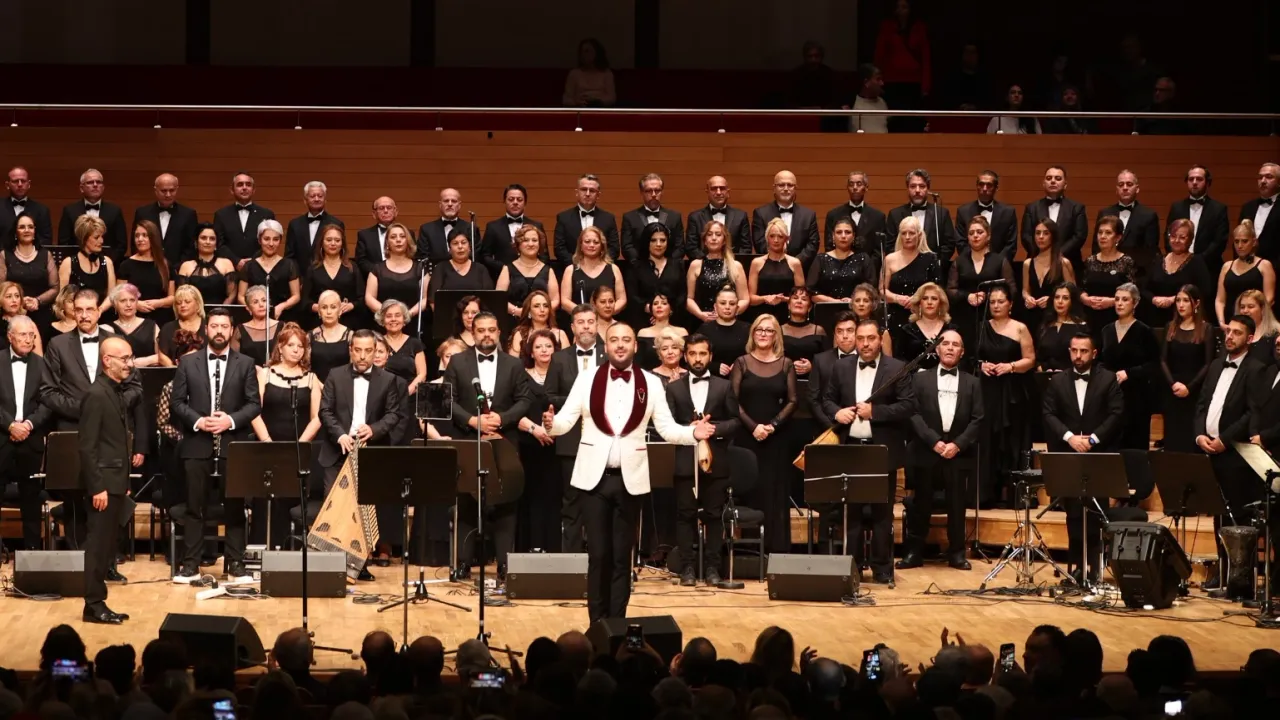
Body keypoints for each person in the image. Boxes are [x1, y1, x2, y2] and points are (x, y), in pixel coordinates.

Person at [543, 322, 711, 622]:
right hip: (593, 481)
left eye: (626, 340)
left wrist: (693, 433)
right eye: (614, 340)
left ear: (635, 345)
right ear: (605, 346)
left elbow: (666, 429)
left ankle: (617, 625)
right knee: (598, 556)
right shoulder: (587, 378)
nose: (620, 345)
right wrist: (550, 425)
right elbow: (565, 421)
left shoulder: (651, 383)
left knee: (622, 558)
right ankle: (597, 625)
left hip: (630, 480)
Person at [821, 318, 916, 582]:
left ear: (880, 339)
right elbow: (827, 399)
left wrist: (876, 412)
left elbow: (908, 406)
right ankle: (852, 567)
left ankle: (882, 568)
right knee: (851, 512)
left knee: (881, 513)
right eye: (860, 338)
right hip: (850, 448)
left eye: (870, 338)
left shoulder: (896, 368)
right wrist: (836, 412)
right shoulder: (841, 367)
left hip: (881, 450)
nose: (865, 344)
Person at [170, 307, 261, 578]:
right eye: (214, 326)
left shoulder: (246, 363)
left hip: (232, 443)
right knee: (194, 506)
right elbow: (177, 403)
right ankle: (191, 563)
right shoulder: (188, 362)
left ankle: (235, 563)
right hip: (197, 443)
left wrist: (229, 421)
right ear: (206, 329)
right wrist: (199, 421)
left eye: (224, 326)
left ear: (232, 331)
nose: (219, 331)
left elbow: (254, 404)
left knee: (234, 506)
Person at [445, 311, 534, 578]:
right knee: (466, 500)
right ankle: (463, 562)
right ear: (472, 333)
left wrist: (502, 419)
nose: (486, 335)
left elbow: (525, 399)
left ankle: (504, 564)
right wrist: (472, 420)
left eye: (491, 330)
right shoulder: (458, 362)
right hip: (469, 439)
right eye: (481, 330)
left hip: (504, 441)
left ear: (499, 332)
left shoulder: (513, 364)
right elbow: (448, 399)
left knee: (506, 501)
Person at [1042, 332, 1125, 582]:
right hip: (1069, 455)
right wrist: (1070, 438)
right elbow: (1048, 413)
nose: (1078, 356)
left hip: (1097, 454)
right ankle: (1077, 567)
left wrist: (1093, 439)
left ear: (1094, 353)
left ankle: (1096, 568)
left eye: (1084, 351)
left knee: (1097, 512)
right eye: (1074, 350)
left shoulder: (1108, 379)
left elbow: (1116, 414)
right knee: (1074, 514)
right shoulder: (1058, 380)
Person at [901, 329, 983, 570]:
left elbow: (978, 419)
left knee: (957, 505)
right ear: (936, 349)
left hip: (958, 452)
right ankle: (914, 552)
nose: (950, 348)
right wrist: (933, 441)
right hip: (927, 449)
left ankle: (956, 553)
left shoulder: (973, 382)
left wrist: (957, 444)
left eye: (955, 344)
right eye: (945, 343)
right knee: (920, 504)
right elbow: (913, 413)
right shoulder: (919, 379)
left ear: (962, 352)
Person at [1197, 316, 1265, 596]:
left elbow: (1251, 412)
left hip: (1235, 453)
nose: (1229, 336)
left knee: (1238, 516)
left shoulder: (1256, 368)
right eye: (1228, 331)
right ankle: (1223, 570)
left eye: (1237, 333)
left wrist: (1225, 439)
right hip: (1209, 450)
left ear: (1250, 338)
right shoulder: (1216, 365)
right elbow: (1202, 403)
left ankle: (1240, 578)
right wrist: (1199, 435)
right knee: (1219, 514)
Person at [667, 334, 741, 586]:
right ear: (685, 356)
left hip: (716, 461)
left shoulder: (724, 386)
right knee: (685, 514)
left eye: (702, 354)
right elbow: (665, 425)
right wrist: (689, 430)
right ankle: (687, 568)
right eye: (692, 354)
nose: (697, 359)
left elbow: (735, 421)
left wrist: (713, 429)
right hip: (684, 461)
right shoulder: (673, 388)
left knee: (714, 515)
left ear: (710, 356)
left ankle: (712, 568)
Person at [78, 335, 138, 624]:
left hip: (114, 481)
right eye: (124, 359)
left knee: (107, 545)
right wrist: (97, 486)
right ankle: (93, 604)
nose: (130, 364)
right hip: (102, 485)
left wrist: (123, 481)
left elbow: (115, 442)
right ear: (107, 361)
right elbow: (87, 446)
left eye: (131, 357)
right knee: (98, 545)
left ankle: (98, 601)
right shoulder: (96, 394)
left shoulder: (114, 391)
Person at [247, 323, 320, 550]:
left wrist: (300, 444)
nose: (296, 350)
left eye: (300, 346)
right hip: (267, 447)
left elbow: (317, 417)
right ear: (280, 347)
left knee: (292, 498)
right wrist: (267, 442)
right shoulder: (265, 374)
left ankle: (291, 551)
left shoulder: (311, 378)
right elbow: (253, 411)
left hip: (297, 449)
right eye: (291, 345)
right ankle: (262, 550)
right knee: (266, 500)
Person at [731, 314, 798, 556]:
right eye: (759, 329)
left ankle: (776, 549)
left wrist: (772, 425)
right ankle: (749, 551)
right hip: (748, 437)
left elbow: (793, 401)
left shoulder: (786, 364)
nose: (763, 334)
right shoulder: (741, 362)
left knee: (775, 491)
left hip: (776, 438)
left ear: (776, 335)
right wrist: (754, 427)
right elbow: (733, 401)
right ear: (753, 333)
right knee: (752, 489)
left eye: (769, 330)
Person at [544, 304, 604, 552]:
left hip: (604, 440)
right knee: (571, 503)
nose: (586, 327)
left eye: (590, 322)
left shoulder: (610, 355)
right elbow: (549, 395)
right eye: (581, 322)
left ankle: (599, 558)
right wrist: (579, 401)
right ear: (572, 327)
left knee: (601, 502)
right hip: (569, 441)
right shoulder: (559, 358)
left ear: (597, 325)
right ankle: (572, 559)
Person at [317, 330, 402, 491]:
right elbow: (325, 410)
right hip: (337, 451)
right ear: (350, 350)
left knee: (369, 504)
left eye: (368, 351)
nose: (362, 356)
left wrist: (373, 429)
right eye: (358, 350)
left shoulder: (387, 379)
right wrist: (340, 435)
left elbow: (393, 414)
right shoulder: (335, 375)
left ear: (375, 351)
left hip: (371, 452)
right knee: (334, 505)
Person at [978, 284, 1036, 507]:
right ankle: (987, 495)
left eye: (1000, 301)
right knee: (988, 440)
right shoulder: (981, 327)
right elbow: (972, 357)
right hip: (987, 390)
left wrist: (1010, 366)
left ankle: (1015, 495)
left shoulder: (1020, 328)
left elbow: (1030, 360)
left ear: (1010, 304)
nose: (996, 305)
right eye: (992, 302)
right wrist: (982, 365)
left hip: (1013, 391)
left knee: (1012, 439)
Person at [0, 316, 52, 551]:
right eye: (23, 335)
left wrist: (28, 425)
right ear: (10, 336)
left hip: (30, 440)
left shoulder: (42, 364)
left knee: (31, 499)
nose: (28, 340)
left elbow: (47, 402)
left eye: (32, 335)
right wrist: (10, 425)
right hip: (2, 438)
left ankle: (32, 552)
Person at [513, 329, 559, 553]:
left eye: (548, 346)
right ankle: (529, 549)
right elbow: (512, 410)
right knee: (530, 498)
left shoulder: (562, 375)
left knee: (553, 498)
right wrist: (534, 429)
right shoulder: (521, 375)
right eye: (539, 347)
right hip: (528, 446)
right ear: (531, 352)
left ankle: (554, 550)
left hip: (557, 446)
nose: (544, 350)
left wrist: (554, 430)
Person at [1100, 284, 1159, 449]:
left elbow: (1154, 364)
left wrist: (1129, 373)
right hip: (1110, 395)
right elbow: (1100, 361)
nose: (1119, 303)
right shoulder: (1106, 330)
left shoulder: (1144, 331)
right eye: (1117, 299)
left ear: (1135, 303)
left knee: (1134, 445)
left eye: (1125, 300)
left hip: (1136, 397)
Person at [1160, 285, 1215, 453]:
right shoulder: (1170, 327)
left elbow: (1208, 363)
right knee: (1173, 436)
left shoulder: (1206, 329)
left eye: (1185, 300)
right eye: (1178, 300)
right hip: (1173, 389)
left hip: (1195, 390)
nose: (1181, 305)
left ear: (1196, 303)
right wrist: (1173, 384)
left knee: (1190, 437)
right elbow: (1163, 360)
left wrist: (1189, 387)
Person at [948, 216, 1015, 352]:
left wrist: (990, 297)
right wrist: (968, 296)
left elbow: (1011, 289)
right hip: (964, 318)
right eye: (971, 233)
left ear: (988, 236)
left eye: (979, 232)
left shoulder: (1000, 261)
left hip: (993, 318)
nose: (975, 236)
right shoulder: (959, 261)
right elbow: (950, 290)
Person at [882, 215, 941, 346]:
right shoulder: (889, 259)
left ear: (919, 235)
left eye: (911, 233)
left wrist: (916, 299)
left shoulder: (930, 259)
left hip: (922, 316)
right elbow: (881, 290)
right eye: (904, 233)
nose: (907, 237)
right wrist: (897, 298)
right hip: (896, 315)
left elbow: (936, 289)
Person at [873, 0, 931, 132]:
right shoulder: (887, 26)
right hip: (891, 81)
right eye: (898, 7)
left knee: (912, 121)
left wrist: (926, 85)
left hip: (913, 82)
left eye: (904, 7)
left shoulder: (919, 28)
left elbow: (925, 58)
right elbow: (879, 54)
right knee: (894, 121)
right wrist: (877, 80)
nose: (901, 10)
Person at [1020, 166, 1089, 277]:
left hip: (1068, 262)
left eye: (1058, 178)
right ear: (1043, 183)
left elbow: (1079, 236)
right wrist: (1042, 256)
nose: (1053, 181)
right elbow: (1026, 236)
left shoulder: (1077, 208)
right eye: (1049, 178)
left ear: (1065, 184)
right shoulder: (1031, 208)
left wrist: (1056, 256)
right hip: (1037, 263)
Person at [1144, 219, 1213, 329]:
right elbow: (1144, 289)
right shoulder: (1158, 260)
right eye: (1173, 236)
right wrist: (1154, 299)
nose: (1176, 240)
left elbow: (1204, 291)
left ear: (1190, 240)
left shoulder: (1197, 262)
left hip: (1185, 322)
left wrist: (1175, 299)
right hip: (1156, 321)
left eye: (1182, 237)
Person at [2, 213, 58, 345]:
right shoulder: (4, 255)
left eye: (30, 227)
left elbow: (55, 287)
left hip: (41, 312)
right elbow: (1, 287)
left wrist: (37, 301)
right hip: (12, 313)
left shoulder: (46, 255)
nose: (26, 230)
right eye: (22, 227)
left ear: (35, 231)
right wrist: (20, 301)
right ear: (15, 232)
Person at [885, 170, 955, 274]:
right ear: (908, 189)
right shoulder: (895, 214)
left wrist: (933, 265)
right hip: (903, 271)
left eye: (922, 186)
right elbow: (890, 246)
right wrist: (904, 264)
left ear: (928, 189)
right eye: (913, 186)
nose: (917, 190)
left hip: (933, 271)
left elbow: (949, 245)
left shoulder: (941, 213)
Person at [1167, 165, 1230, 277]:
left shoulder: (1219, 209)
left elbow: (1219, 242)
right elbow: (1168, 235)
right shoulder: (1176, 208)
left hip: (1208, 268)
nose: (1194, 182)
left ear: (1208, 183)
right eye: (1191, 179)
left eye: (1199, 179)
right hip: (1178, 267)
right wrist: (1178, 260)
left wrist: (1197, 262)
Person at [1079, 216, 1135, 338]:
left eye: (1108, 233)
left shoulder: (1126, 262)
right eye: (1100, 232)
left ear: (1118, 237)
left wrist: (1112, 302)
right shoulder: (1090, 261)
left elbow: (1133, 294)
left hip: (1117, 319)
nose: (1102, 236)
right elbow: (1081, 288)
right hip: (1090, 318)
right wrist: (1085, 299)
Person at [367, 223, 428, 333]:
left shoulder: (420, 268)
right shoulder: (377, 269)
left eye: (402, 236)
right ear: (387, 243)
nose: (398, 240)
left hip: (412, 323)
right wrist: (389, 315)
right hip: (384, 325)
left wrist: (407, 315)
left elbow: (425, 299)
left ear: (408, 241)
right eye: (393, 237)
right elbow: (369, 297)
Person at [751, 171, 820, 268]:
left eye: (790, 185)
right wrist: (777, 261)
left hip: (800, 269)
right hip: (769, 269)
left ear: (795, 188)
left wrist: (794, 263)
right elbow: (760, 244)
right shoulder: (760, 213)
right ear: (774, 188)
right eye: (781, 185)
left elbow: (812, 245)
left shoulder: (809, 215)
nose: (786, 189)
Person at [1216, 220, 1275, 332]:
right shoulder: (1227, 266)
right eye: (1236, 241)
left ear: (1254, 242)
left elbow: (1269, 299)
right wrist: (1221, 322)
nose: (1240, 246)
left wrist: (1256, 320)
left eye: (1244, 241)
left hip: (1256, 324)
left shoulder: (1264, 265)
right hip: (1231, 324)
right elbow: (1220, 300)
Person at [58, 169, 127, 264]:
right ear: (81, 188)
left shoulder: (115, 211)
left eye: (98, 182)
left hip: (108, 264)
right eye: (90, 182)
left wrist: (106, 263)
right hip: (76, 264)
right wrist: (77, 263)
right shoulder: (70, 211)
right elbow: (64, 243)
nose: (95, 185)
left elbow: (121, 245)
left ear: (103, 187)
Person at [239, 219, 301, 324]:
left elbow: (296, 296)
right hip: (255, 320)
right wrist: (252, 308)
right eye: (266, 239)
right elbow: (241, 296)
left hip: (283, 318)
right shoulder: (249, 266)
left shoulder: (289, 265)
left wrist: (282, 306)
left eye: (275, 239)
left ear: (280, 241)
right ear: (259, 240)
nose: (271, 244)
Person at [304, 223, 365, 331]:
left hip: (348, 322)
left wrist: (351, 305)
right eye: (329, 240)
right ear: (322, 243)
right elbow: (304, 300)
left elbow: (362, 298)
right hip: (319, 323)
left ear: (342, 244)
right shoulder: (312, 269)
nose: (333, 243)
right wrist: (317, 307)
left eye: (337, 240)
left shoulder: (352, 267)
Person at [1021, 218, 1077, 335]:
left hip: (1056, 318)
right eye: (1038, 233)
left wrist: (1052, 299)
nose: (1041, 237)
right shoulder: (1028, 263)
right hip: (1032, 317)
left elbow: (1073, 293)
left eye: (1046, 233)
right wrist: (1027, 298)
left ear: (1053, 236)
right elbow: (1025, 290)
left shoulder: (1063, 263)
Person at [686, 222, 748, 324]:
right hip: (702, 322)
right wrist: (700, 314)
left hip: (729, 322)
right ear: (705, 241)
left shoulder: (736, 265)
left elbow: (744, 299)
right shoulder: (695, 265)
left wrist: (728, 313)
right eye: (709, 234)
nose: (714, 238)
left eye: (718, 234)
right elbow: (689, 299)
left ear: (724, 240)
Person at [553, 174, 620, 268]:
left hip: (601, 270)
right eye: (584, 189)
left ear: (598, 195)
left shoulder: (608, 218)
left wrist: (599, 266)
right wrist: (577, 266)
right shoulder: (563, 217)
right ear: (577, 192)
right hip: (572, 270)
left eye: (592, 190)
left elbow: (614, 249)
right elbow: (559, 249)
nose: (587, 194)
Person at [748, 219, 806, 324]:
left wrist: (784, 299)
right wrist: (765, 298)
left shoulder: (795, 263)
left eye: (780, 236)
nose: (776, 240)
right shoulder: (756, 263)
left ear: (786, 239)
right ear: (767, 238)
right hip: (762, 316)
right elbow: (751, 299)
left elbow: (801, 298)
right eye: (772, 236)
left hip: (788, 316)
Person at [628, 222, 686, 328]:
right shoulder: (636, 267)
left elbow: (682, 295)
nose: (658, 244)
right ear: (646, 242)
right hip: (644, 321)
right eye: (653, 240)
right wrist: (652, 310)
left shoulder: (678, 265)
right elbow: (632, 296)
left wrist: (667, 312)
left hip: (673, 321)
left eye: (662, 240)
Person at [134, 173, 200, 266]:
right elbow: (135, 243)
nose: (168, 194)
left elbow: (191, 246)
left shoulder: (189, 214)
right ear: (156, 190)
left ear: (177, 189)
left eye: (172, 190)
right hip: (147, 266)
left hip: (179, 268)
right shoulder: (142, 213)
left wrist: (179, 267)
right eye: (164, 191)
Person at [212, 171, 275, 266]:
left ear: (253, 190)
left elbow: (270, 242)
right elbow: (219, 244)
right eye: (240, 184)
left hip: (260, 267)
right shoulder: (221, 215)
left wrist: (252, 262)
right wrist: (236, 261)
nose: (244, 187)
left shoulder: (267, 214)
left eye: (248, 185)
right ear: (232, 190)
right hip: (229, 267)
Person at [479, 184, 544, 278]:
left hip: (532, 277)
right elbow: (485, 256)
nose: (515, 202)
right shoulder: (493, 227)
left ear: (525, 202)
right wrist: (504, 268)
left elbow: (544, 255)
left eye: (519, 199)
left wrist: (534, 270)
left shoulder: (537, 226)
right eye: (511, 199)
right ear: (504, 201)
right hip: (501, 276)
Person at [117, 220, 174, 326]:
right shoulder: (126, 265)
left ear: (153, 238)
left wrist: (158, 303)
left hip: (162, 319)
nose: (140, 239)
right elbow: (119, 295)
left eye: (144, 235)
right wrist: (136, 304)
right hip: (135, 319)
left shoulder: (165, 265)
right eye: (137, 236)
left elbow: (172, 297)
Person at [497, 224, 559, 320]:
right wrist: (517, 312)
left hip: (542, 321)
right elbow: (499, 299)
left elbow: (555, 300)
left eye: (534, 240)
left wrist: (541, 312)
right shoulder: (507, 269)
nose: (531, 244)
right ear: (518, 244)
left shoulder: (548, 270)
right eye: (526, 240)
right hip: (514, 321)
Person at [621, 174, 684, 266]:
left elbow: (680, 247)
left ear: (662, 192)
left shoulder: (674, 217)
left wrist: (667, 265)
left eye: (657, 190)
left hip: (669, 268)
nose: (654, 194)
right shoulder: (630, 217)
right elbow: (627, 247)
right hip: (638, 268)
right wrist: (641, 265)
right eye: (649, 191)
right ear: (642, 193)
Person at [561, 226, 625, 316]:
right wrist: (586, 314)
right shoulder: (570, 270)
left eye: (596, 242)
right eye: (587, 241)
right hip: (581, 320)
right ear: (580, 246)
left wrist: (605, 313)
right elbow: (565, 301)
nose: (591, 245)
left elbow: (622, 300)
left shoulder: (614, 269)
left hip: (607, 320)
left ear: (602, 247)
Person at [809, 217, 875, 304]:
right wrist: (834, 302)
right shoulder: (820, 259)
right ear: (833, 236)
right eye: (839, 232)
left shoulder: (863, 259)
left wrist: (854, 300)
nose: (843, 236)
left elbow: (871, 289)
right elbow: (811, 291)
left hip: (857, 308)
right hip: (826, 308)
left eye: (847, 232)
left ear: (853, 236)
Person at [60, 215, 116, 312]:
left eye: (102, 236)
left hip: (102, 314)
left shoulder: (107, 262)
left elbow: (112, 296)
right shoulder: (68, 263)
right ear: (84, 239)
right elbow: (62, 299)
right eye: (96, 237)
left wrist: (98, 311)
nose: (101, 241)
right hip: (76, 315)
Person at [687, 176, 752, 257]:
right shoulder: (695, 217)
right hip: (703, 263)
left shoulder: (741, 216)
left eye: (722, 188)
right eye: (714, 189)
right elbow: (691, 248)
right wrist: (709, 262)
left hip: (733, 263)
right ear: (707, 191)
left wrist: (730, 262)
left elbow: (746, 248)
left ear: (728, 192)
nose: (718, 192)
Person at [175, 222, 236, 306]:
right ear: (196, 242)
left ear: (216, 244)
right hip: (192, 311)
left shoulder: (226, 263)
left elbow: (231, 295)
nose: (208, 242)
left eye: (212, 239)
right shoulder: (186, 266)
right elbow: (181, 296)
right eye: (203, 238)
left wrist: (221, 309)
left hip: (221, 311)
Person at [426, 228, 493, 304]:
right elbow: (433, 300)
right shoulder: (440, 268)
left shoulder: (481, 269)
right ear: (450, 249)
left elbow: (489, 298)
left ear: (469, 247)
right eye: (455, 243)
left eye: (463, 242)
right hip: (446, 311)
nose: (460, 246)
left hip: (476, 311)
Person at [696, 286, 750, 378]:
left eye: (732, 304)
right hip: (712, 380)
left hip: (744, 379)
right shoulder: (704, 329)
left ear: (737, 308)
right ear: (715, 306)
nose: (727, 307)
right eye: (723, 303)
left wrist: (741, 364)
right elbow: (694, 358)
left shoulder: (748, 329)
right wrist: (714, 367)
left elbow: (757, 355)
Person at [894, 282, 949, 371]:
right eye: (925, 298)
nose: (929, 302)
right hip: (914, 377)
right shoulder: (907, 330)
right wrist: (918, 371)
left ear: (940, 304)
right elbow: (898, 359)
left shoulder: (951, 330)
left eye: (934, 299)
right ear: (919, 303)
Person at [285, 181, 343, 264]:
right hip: (299, 272)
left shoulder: (336, 223)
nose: (316, 199)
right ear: (305, 200)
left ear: (325, 200)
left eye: (320, 196)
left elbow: (340, 255)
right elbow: (289, 256)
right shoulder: (295, 224)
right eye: (312, 196)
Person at [108, 284, 164, 368]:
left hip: (147, 373)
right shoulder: (107, 328)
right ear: (114, 304)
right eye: (123, 301)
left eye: (132, 300)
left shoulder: (151, 326)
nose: (128, 304)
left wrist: (146, 361)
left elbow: (164, 356)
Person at [1038, 283, 1089, 372]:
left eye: (1065, 298)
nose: (1060, 301)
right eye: (1057, 297)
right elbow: (1038, 356)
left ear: (1072, 301)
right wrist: (1041, 369)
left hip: (1071, 376)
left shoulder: (1081, 327)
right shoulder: (1045, 325)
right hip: (1045, 375)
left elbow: (1086, 358)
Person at [508, 290, 569, 358]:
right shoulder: (520, 334)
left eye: (546, 306)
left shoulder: (561, 335)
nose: (542, 309)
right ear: (529, 311)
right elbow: (512, 363)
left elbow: (568, 362)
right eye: (536, 306)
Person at [308, 290, 352, 383]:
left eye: (333, 307)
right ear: (319, 312)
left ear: (340, 311)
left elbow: (354, 369)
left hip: (343, 387)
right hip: (315, 387)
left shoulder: (350, 336)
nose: (328, 312)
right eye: (324, 307)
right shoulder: (310, 336)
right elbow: (305, 368)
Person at [232, 285, 279, 367]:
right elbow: (233, 361)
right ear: (248, 308)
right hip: (248, 373)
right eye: (255, 302)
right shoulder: (240, 330)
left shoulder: (281, 327)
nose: (261, 305)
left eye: (264, 300)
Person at [637, 294, 686, 371]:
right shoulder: (643, 333)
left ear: (671, 309)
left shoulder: (682, 332)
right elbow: (639, 363)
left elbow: (686, 361)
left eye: (664, 303)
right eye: (655, 304)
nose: (659, 306)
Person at [158, 285, 207, 362]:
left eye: (187, 302)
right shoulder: (167, 328)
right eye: (179, 303)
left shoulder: (209, 326)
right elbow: (163, 357)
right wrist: (176, 368)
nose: (182, 305)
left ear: (198, 304)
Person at [562, 38, 616, 107]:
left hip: (600, 107)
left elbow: (611, 97)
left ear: (597, 53)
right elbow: (566, 98)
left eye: (587, 51)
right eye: (581, 52)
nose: (583, 54)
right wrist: (576, 103)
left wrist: (597, 101)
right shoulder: (574, 74)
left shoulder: (606, 73)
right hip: (580, 108)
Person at [1237, 289, 1280, 366]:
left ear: (1262, 309)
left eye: (1250, 307)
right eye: (1242, 307)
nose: (1245, 311)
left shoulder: (1275, 333)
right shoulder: (1233, 333)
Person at [0, 282, 42, 356]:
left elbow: (38, 356)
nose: (14, 300)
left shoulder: (29, 323)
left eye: (17, 296)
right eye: (9, 296)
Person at [851, 283, 893, 355]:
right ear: (852, 304)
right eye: (857, 300)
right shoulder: (845, 329)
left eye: (866, 301)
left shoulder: (882, 332)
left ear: (873, 304)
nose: (861, 304)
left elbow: (889, 360)